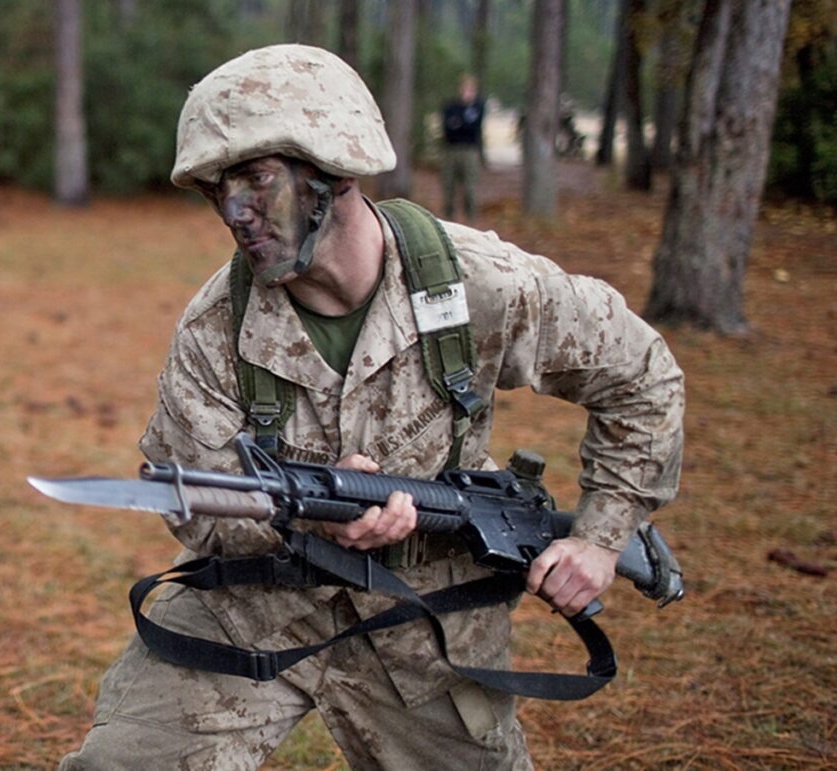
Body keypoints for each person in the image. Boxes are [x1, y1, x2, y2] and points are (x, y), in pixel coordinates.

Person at [59, 44, 684, 770]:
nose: (234, 211)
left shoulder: (480, 286)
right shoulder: (213, 330)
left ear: (336, 167)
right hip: (258, 603)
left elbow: (642, 377)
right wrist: (302, 512)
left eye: (258, 180)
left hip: (426, 623)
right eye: (215, 190)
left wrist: (602, 536)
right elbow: (195, 507)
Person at [441, 73, 486, 222]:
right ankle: (449, 217)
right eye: (465, 89)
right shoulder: (451, 107)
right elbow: (448, 128)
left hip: (469, 151)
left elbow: (474, 128)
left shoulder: (478, 107)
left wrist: (459, 124)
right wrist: (460, 124)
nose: (467, 93)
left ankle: (471, 219)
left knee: (470, 188)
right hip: (451, 150)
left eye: (471, 90)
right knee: (448, 186)